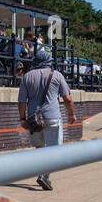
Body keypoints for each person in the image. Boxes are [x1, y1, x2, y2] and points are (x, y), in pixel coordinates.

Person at [18, 46, 77, 191]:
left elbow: (21, 101)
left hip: (34, 119)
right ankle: (45, 176)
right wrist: (71, 114)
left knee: (39, 148)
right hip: (52, 117)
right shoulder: (57, 75)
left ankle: (41, 173)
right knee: (54, 149)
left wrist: (23, 118)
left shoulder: (27, 76)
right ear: (49, 61)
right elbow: (67, 98)